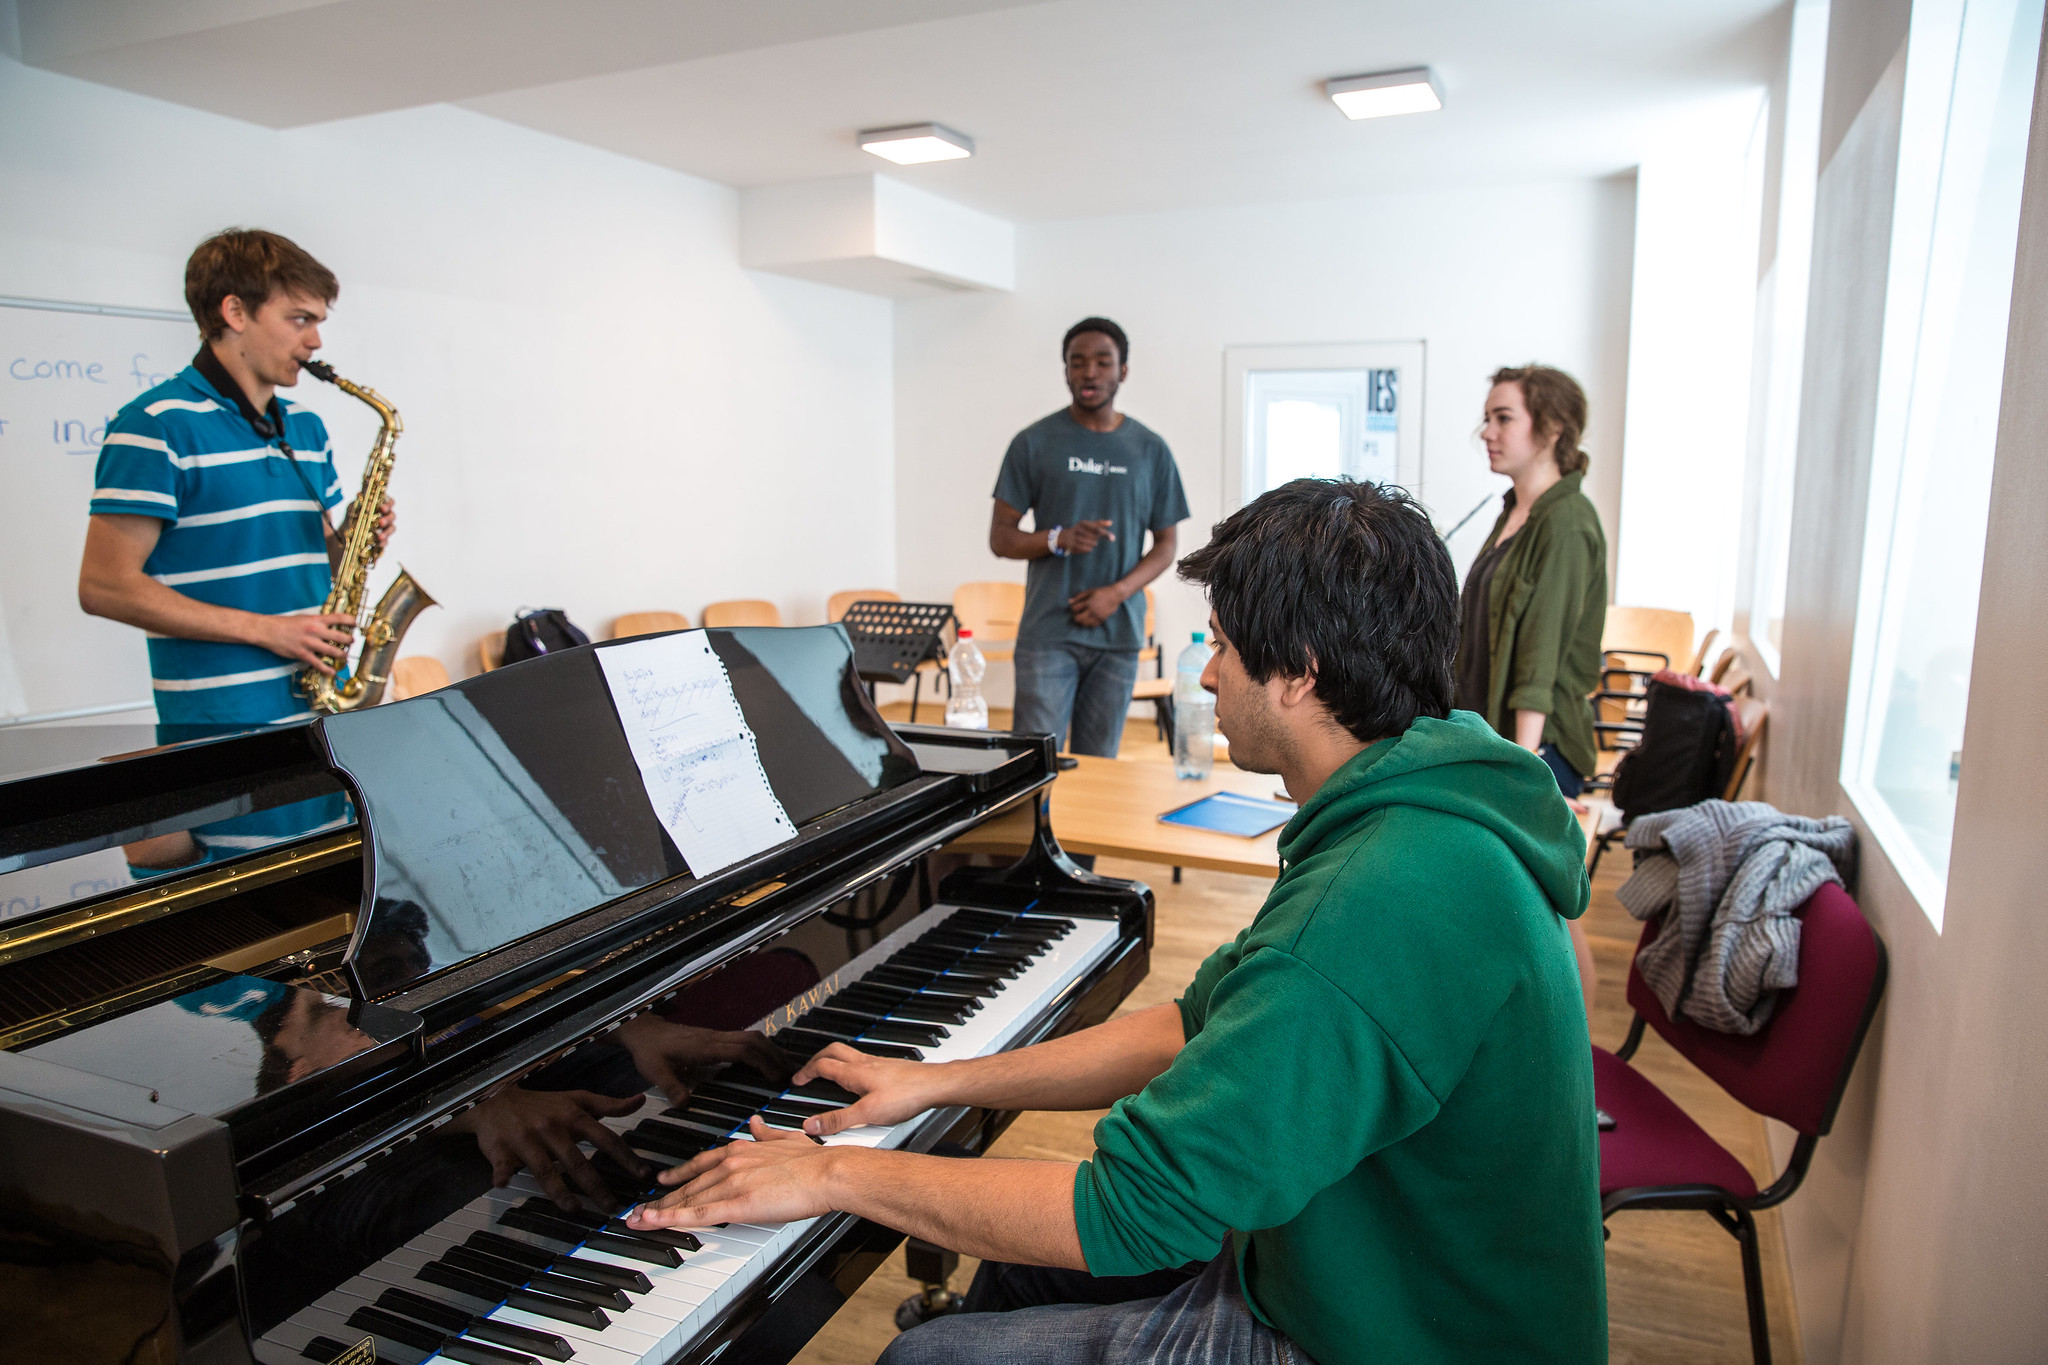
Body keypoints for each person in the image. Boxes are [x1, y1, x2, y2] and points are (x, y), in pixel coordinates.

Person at [625, 478, 1607, 1365]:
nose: (1207, 675)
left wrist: (835, 1176)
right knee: (1016, 1276)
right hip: (1369, 1258)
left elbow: (1130, 1213)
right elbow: (1192, 1023)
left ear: (1299, 672)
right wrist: (936, 1080)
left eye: (1222, 646)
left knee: (925, 1360)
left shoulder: (1374, 900)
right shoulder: (1428, 808)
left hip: (1397, 1334)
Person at [78, 228, 393, 870]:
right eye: (300, 319)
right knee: (254, 909)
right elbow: (104, 587)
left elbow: (319, 563)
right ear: (235, 312)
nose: (316, 341)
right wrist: (268, 631)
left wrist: (356, 540)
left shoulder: (305, 428)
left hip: (321, 710)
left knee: (336, 892)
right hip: (224, 725)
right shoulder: (154, 426)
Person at [1453, 364, 1608, 1014]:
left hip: (1535, 748)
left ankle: (1580, 1054)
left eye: (1503, 418)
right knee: (1510, 904)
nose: (1486, 431)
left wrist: (1524, 768)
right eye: (1487, 417)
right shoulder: (1515, 511)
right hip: (1497, 739)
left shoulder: (1566, 522)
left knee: (1551, 908)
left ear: (1552, 429)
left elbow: (1539, 657)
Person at [990, 317, 1189, 757]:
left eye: (1103, 362)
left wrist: (1115, 594)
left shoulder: (1150, 449)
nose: (1089, 372)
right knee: (1034, 762)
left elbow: (1166, 546)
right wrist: (1056, 539)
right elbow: (1001, 538)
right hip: (1047, 635)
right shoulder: (1033, 442)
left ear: (1123, 371)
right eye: (1077, 362)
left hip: (1118, 635)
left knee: (1100, 765)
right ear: (1065, 371)